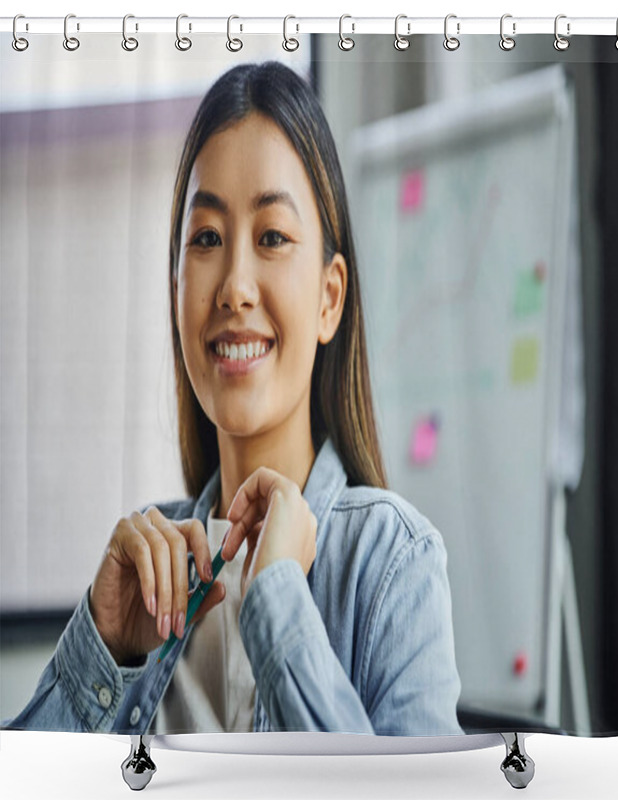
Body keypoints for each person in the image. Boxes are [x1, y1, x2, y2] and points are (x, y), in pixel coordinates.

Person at [2, 61, 463, 736]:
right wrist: (98, 647)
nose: (235, 286)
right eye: (208, 239)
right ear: (175, 286)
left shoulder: (392, 561)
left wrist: (278, 597)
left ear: (330, 297)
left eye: (272, 237)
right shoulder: (144, 570)